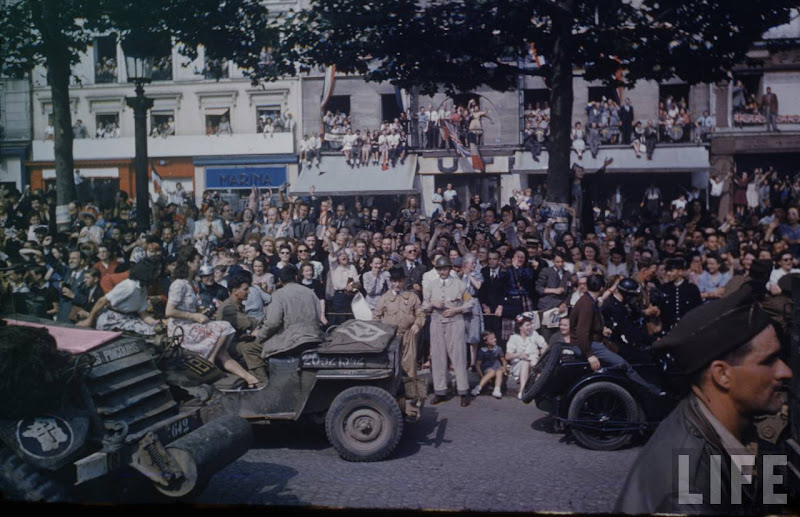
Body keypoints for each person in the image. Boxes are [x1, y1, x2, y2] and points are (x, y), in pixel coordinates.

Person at [615, 287, 792, 514]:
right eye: (769, 361)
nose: (785, 372)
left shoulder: (734, 424)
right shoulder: (686, 493)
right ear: (722, 375)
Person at [166, 246, 258, 388]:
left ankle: (249, 377)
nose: (199, 264)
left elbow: (190, 308)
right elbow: (169, 311)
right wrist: (194, 316)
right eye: (197, 261)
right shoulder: (179, 284)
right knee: (225, 327)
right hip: (181, 329)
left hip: (191, 324)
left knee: (223, 352)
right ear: (189, 263)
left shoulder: (192, 283)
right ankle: (210, 360)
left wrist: (201, 312)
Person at [570, 274, 662, 396]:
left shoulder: (589, 301)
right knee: (622, 364)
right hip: (588, 345)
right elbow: (581, 332)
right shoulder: (587, 304)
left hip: (592, 342)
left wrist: (602, 330)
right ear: (602, 288)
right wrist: (589, 355)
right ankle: (649, 391)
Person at [245, 265, 323, 384]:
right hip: (314, 337)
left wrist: (260, 335)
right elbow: (318, 316)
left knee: (249, 349)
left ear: (280, 281)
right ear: (296, 277)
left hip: (292, 342)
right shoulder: (310, 292)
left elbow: (273, 323)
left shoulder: (278, 294)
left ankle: (263, 383)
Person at [423, 256, 474, 407]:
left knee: (459, 357)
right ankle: (440, 391)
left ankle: (463, 392)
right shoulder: (431, 286)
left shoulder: (460, 285)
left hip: (455, 323)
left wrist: (457, 310)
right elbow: (424, 306)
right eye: (439, 269)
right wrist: (432, 304)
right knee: (438, 358)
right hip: (437, 323)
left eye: (445, 269)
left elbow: (470, 303)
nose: (442, 272)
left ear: (450, 269)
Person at [78, 257, 162, 335]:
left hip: (128, 318)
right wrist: (89, 319)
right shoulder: (129, 286)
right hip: (112, 320)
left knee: (154, 329)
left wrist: (155, 323)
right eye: (157, 270)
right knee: (147, 330)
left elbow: (143, 313)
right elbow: (102, 300)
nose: (159, 272)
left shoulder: (143, 289)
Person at [373, 266, 426, 379]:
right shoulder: (385, 298)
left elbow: (420, 314)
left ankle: (410, 387)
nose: (397, 284)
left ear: (404, 281)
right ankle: (393, 387)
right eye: (394, 281)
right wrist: (380, 333)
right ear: (391, 281)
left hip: (408, 334)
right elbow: (376, 316)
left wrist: (417, 324)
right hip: (391, 336)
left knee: (409, 363)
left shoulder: (412, 297)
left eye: (399, 281)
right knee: (392, 363)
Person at [504, 313, 548, 400]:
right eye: (527, 325)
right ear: (520, 327)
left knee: (534, 362)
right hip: (519, 366)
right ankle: (522, 390)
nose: (530, 327)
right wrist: (519, 354)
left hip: (533, 363)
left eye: (530, 325)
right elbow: (507, 356)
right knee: (525, 362)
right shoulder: (514, 338)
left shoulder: (534, 334)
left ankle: (538, 390)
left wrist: (543, 350)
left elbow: (545, 345)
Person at [471, 331, 508, 399]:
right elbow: (478, 365)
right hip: (487, 367)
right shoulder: (483, 350)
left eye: (494, 338)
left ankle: (497, 389)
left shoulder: (498, 348)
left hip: (497, 366)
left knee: (499, 371)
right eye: (491, 339)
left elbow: (503, 360)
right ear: (486, 342)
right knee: (492, 372)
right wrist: (481, 375)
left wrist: (504, 368)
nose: (494, 340)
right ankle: (478, 387)